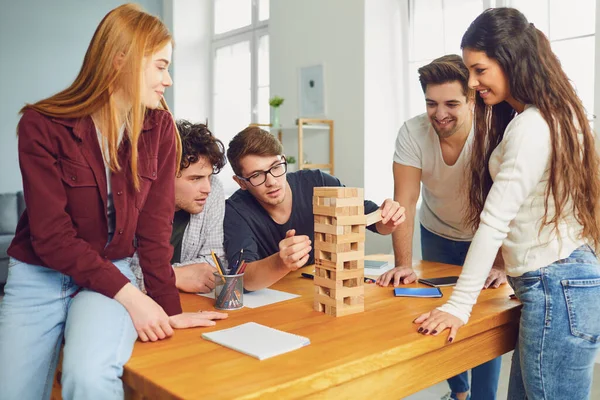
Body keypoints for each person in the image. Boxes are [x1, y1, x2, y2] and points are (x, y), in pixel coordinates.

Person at [0, 5, 226, 400]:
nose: (168, 80)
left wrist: (167, 308)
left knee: (88, 378)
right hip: (39, 275)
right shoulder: (41, 125)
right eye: (159, 66)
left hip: (109, 276)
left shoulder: (160, 128)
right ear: (121, 60)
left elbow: (154, 234)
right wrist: (132, 297)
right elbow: (51, 237)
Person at [414, 8, 600, 400]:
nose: (472, 82)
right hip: (563, 281)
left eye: (479, 70)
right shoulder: (557, 116)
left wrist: (459, 307)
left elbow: (495, 221)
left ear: (511, 59)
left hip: (555, 284)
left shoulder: (533, 126)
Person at [378, 55, 503, 400]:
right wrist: (403, 264)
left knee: (479, 322)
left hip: (486, 235)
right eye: (432, 103)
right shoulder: (413, 132)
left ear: (472, 99)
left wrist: (501, 264)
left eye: (451, 103)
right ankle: (459, 391)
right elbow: (404, 200)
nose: (440, 113)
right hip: (437, 232)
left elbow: (508, 205)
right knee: (438, 311)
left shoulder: (493, 131)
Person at [223, 126, 406, 291]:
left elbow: (373, 221)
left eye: (276, 167)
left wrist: (389, 219)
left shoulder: (317, 182)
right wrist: (281, 262)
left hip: (316, 288)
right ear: (241, 182)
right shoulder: (235, 211)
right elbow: (244, 279)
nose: (272, 182)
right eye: (256, 175)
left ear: (284, 161)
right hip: (272, 298)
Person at [131, 120, 227, 294]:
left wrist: (158, 276)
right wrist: (175, 276)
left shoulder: (214, 189)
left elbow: (215, 261)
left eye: (209, 177)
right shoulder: (134, 201)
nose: (207, 188)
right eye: (195, 178)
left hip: (187, 302)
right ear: (164, 176)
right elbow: (119, 275)